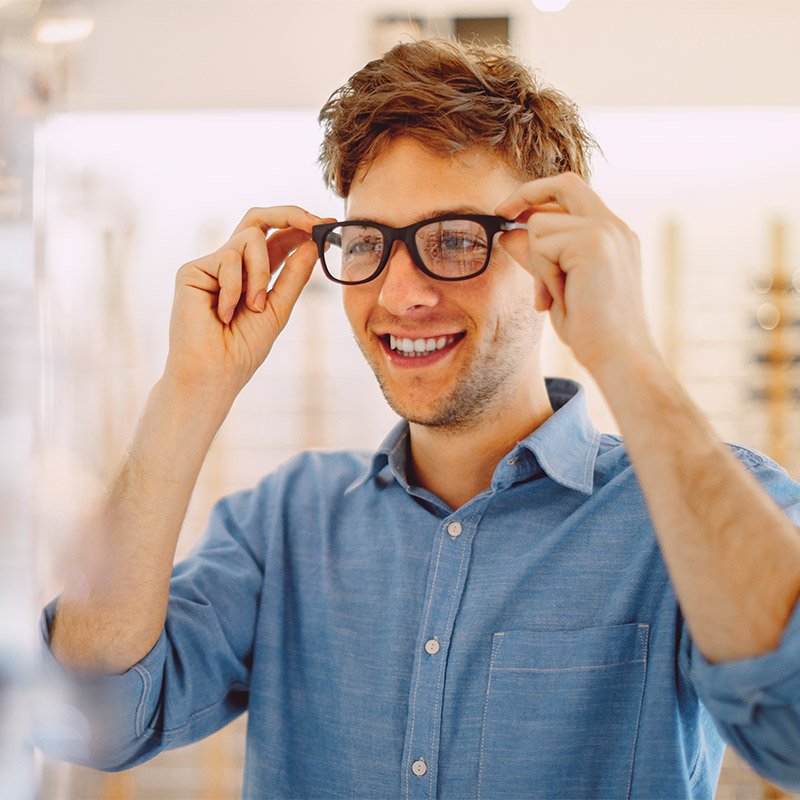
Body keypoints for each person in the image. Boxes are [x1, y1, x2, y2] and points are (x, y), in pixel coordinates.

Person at [39, 38, 800, 799]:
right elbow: (92, 710)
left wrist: (626, 355)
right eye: (368, 243)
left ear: (549, 248)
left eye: (455, 241)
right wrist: (190, 388)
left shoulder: (695, 517)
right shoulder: (285, 525)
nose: (401, 294)